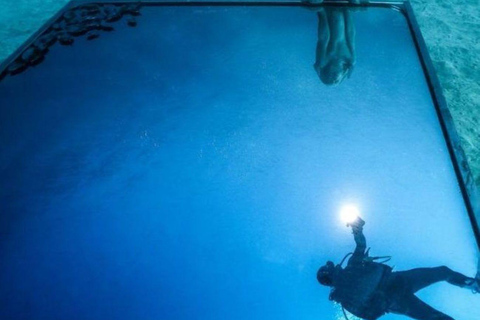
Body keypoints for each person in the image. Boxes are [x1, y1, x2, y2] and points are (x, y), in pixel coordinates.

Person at [317, 217, 480, 320]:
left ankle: (473, 284)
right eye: (329, 268)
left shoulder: (345, 296)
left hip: (396, 290)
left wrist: (357, 229)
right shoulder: (348, 279)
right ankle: (472, 284)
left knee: (435, 316)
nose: (334, 266)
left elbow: (368, 315)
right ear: (329, 274)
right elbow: (360, 244)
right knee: (442, 273)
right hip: (397, 286)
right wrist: (357, 229)